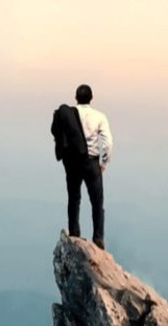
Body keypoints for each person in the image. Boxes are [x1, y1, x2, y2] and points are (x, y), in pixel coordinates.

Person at [53, 84, 114, 249]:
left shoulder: (69, 115)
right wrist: (103, 162)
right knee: (97, 202)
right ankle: (98, 239)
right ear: (91, 98)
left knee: (74, 198)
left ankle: (74, 233)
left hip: (72, 162)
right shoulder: (99, 116)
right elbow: (108, 143)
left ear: (76, 97)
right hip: (91, 162)